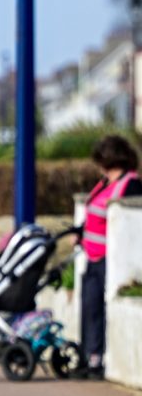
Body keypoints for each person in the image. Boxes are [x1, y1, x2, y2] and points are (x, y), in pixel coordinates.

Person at [79, 135, 142, 379]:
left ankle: (97, 360)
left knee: (98, 310)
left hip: (110, 259)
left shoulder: (131, 185)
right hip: (92, 256)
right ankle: (88, 355)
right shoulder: (105, 183)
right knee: (89, 307)